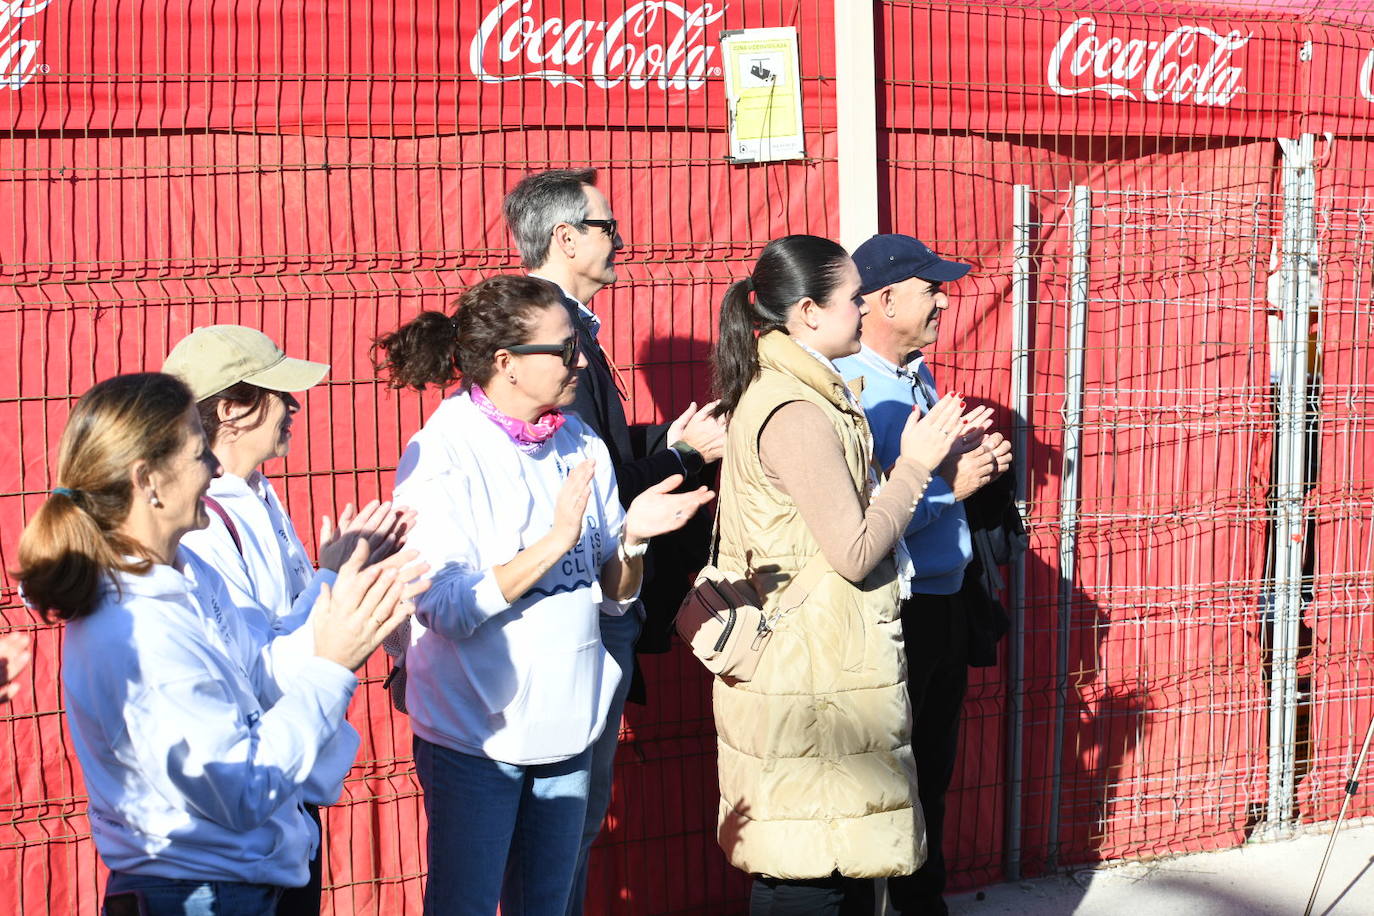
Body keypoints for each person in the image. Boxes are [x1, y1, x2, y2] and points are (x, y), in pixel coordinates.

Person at [14, 372, 425, 916]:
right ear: (149, 482)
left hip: (246, 879)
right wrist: (333, 663)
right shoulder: (136, 629)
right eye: (196, 453)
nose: (214, 466)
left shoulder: (185, 576)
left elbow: (261, 674)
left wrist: (334, 597)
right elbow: (241, 791)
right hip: (202, 893)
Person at [374, 274, 713, 916]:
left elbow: (614, 599)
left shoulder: (578, 441)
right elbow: (444, 608)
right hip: (477, 738)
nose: (579, 360)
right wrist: (556, 541)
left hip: (568, 729)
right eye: (562, 349)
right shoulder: (444, 453)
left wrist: (633, 542)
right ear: (505, 364)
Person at [708, 234, 990, 916]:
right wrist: (921, 467)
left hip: (826, 665)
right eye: (851, 300)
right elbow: (855, 548)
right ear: (806, 313)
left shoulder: (814, 392)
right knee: (807, 873)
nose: (864, 311)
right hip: (808, 675)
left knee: (844, 863)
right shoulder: (795, 408)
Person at [503, 167, 727, 913]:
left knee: (573, 816)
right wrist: (681, 456)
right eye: (606, 227)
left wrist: (665, 440)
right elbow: (587, 483)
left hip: (598, 590)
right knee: (566, 818)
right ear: (566, 239)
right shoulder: (543, 338)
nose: (620, 238)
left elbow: (594, 453)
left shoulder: (563, 335)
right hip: (583, 599)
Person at [163, 324, 414, 916]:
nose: (295, 403)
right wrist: (336, 587)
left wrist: (337, 577)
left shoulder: (256, 493)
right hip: (252, 808)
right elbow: (260, 672)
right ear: (229, 408)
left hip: (288, 791)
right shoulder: (202, 526)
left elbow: (287, 626)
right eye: (279, 391)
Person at [834, 234, 1014, 916]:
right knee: (881, 785)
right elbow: (854, 527)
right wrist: (952, 487)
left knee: (929, 777)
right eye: (929, 289)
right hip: (896, 612)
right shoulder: (857, 393)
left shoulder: (913, 377)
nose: (943, 300)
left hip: (942, 603)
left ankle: (920, 904)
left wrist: (970, 460)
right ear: (884, 300)